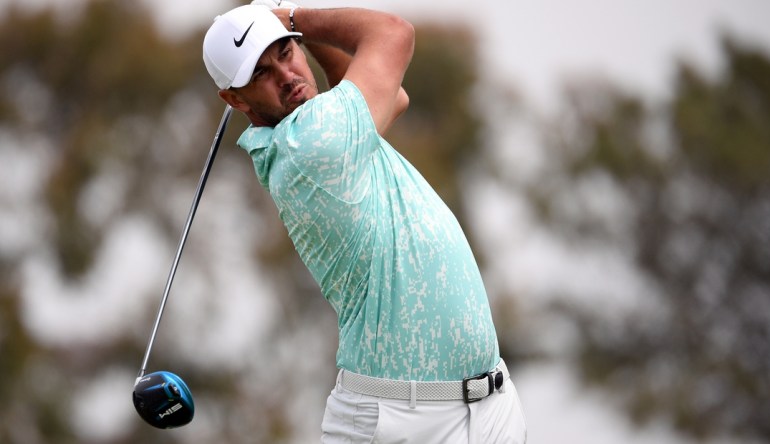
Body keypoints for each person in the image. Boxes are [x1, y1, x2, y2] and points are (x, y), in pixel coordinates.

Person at [202, 3, 527, 443]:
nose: (286, 75)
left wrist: (297, 33)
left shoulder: (325, 130)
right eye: (260, 73)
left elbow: (393, 97)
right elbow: (394, 32)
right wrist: (296, 20)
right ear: (235, 99)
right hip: (399, 421)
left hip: (489, 406)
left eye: (285, 52)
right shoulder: (311, 142)